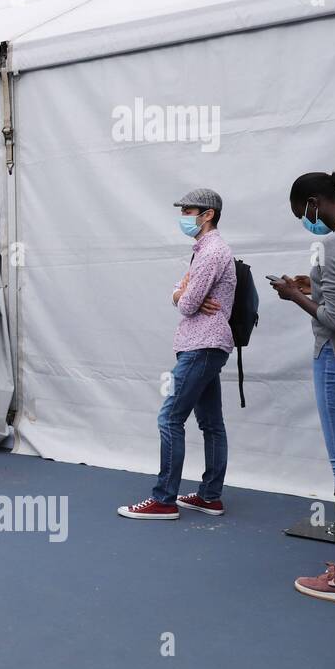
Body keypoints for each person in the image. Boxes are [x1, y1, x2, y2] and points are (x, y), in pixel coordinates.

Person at [272, 171, 335, 607]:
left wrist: (294, 296)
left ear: (315, 202)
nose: (307, 222)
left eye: (303, 214)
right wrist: (315, 287)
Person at [119, 188, 235, 520]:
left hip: (201, 345)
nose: (183, 215)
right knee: (211, 423)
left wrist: (183, 294)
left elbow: (185, 303)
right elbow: (181, 294)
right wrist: (182, 292)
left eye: (188, 210)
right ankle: (210, 496)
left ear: (208, 214)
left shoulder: (211, 252)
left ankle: (164, 500)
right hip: (209, 345)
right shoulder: (207, 250)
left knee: (169, 418)